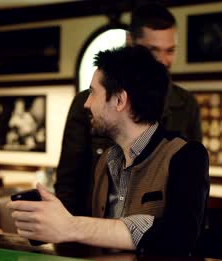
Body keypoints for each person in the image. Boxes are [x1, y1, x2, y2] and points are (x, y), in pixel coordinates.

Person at [8, 46, 209, 255]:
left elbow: (180, 236)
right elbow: (88, 238)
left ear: (120, 100)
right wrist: (13, 237)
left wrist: (72, 226)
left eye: (93, 92)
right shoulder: (106, 161)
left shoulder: (187, 156)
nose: (86, 103)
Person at [55, 3, 202, 216]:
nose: (162, 61)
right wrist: (70, 233)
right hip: (90, 234)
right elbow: (69, 182)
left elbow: (191, 190)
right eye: (153, 50)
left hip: (158, 239)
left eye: (170, 51)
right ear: (131, 43)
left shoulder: (186, 105)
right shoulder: (87, 104)